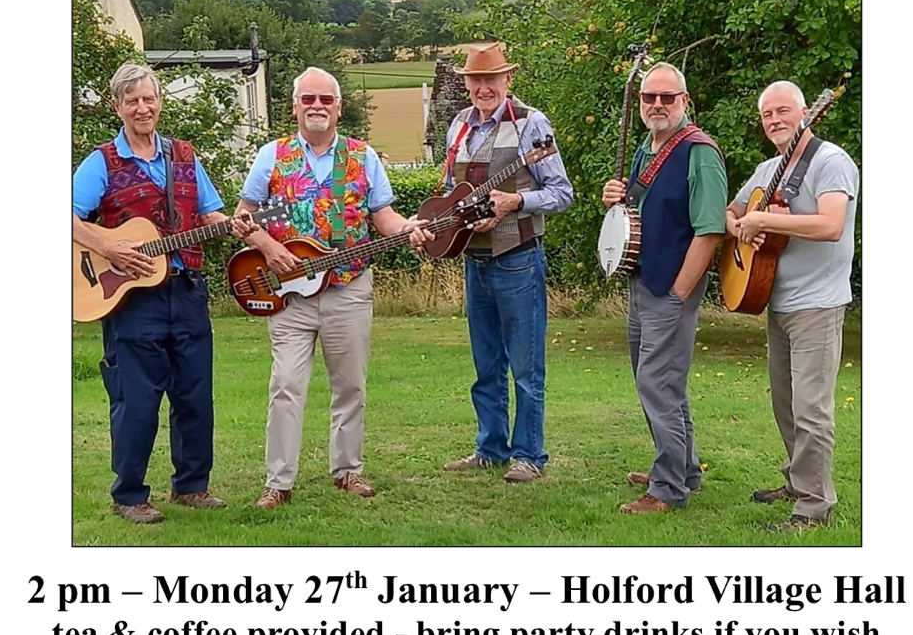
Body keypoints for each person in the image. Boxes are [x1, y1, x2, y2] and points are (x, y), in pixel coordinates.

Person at [235, 68, 431, 506]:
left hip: (348, 288)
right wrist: (267, 246)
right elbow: (242, 217)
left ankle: (348, 471)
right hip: (287, 295)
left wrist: (408, 227)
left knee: (350, 386)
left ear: (340, 107)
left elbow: (384, 217)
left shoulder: (364, 157)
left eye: (326, 99)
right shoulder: (272, 155)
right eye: (308, 99)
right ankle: (278, 482)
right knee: (285, 383)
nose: (317, 106)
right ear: (294, 106)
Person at [72, 61, 236, 524]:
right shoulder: (101, 161)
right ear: (117, 107)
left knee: (195, 395)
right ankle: (129, 495)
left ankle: (192, 486)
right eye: (132, 101)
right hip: (131, 301)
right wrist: (110, 248)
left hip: (186, 291)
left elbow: (209, 215)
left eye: (148, 98)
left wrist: (241, 227)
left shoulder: (184, 156)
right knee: (136, 399)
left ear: (159, 102)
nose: (142, 108)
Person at [729, 80, 859, 533]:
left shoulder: (831, 161)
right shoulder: (768, 169)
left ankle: (813, 507)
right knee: (786, 404)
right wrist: (744, 225)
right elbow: (731, 212)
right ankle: (798, 479)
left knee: (811, 409)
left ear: (805, 112)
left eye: (782, 110)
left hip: (818, 304)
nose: (775, 120)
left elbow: (831, 225)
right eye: (767, 115)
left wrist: (763, 219)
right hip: (775, 300)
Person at [442, 43, 573, 483]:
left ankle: (530, 455)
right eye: (475, 80)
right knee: (485, 365)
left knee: (526, 366)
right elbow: (447, 191)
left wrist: (517, 200)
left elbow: (562, 192)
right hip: (472, 260)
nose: (483, 88)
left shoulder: (533, 124)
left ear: (507, 81)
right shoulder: (458, 126)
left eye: (491, 79)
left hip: (518, 259)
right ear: (466, 84)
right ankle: (490, 448)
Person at [601, 63, 727, 515]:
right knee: (661, 383)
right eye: (649, 97)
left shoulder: (701, 153)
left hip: (670, 289)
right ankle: (684, 470)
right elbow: (639, 213)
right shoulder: (647, 148)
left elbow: (710, 230)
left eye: (667, 98)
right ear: (640, 104)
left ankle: (667, 488)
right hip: (643, 281)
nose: (657, 104)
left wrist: (678, 294)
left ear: (685, 101)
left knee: (657, 384)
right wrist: (615, 197)